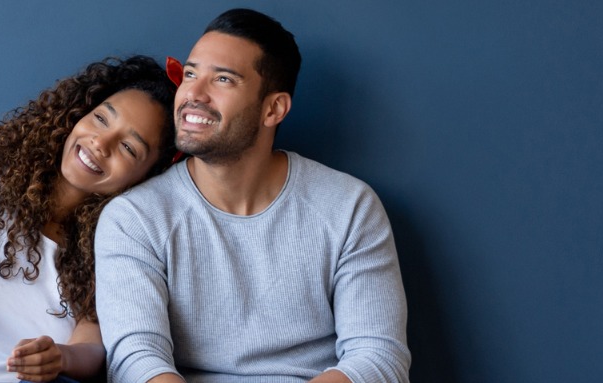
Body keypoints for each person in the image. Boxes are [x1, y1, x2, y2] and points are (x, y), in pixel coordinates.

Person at [95, 9, 411, 383]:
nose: (192, 93)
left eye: (223, 79)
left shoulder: (348, 207)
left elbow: (379, 358)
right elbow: (136, 361)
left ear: (273, 108)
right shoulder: (135, 217)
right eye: (191, 73)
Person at [0, 56, 180, 383]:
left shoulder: (117, 243)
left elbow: (92, 345)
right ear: (80, 112)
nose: (100, 143)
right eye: (102, 119)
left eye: (129, 148)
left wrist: (61, 356)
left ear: (146, 178)